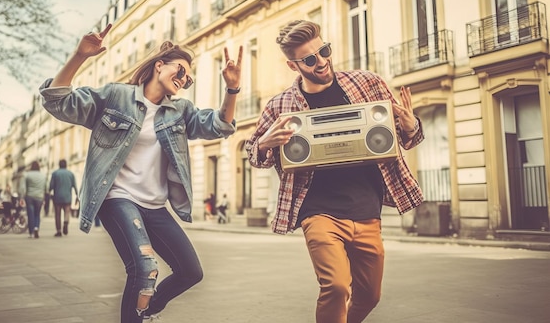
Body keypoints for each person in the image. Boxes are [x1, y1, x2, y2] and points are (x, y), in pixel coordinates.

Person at [38, 23, 242, 322]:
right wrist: (80, 56)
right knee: (145, 268)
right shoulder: (115, 96)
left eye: (188, 78)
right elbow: (59, 101)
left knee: (190, 272)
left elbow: (219, 125)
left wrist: (232, 88)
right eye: (180, 70)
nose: (183, 79)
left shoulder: (180, 111)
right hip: (117, 197)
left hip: (155, 205)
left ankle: (146, 310)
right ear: (159, 65)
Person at [245, 20, 424, 323]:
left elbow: (405, 136)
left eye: (324, 51)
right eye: (310, 59)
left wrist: (410, 124)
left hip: (367, 209)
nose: (323, 61)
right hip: (319, 212)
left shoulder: (367, 83)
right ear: (293, 65)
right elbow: (254, 155)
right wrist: (263, 143)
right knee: (337, 286)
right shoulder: (280, 105)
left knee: (370, 295)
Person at [49, 159, 78, 237]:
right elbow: (75, 186)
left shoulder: (55, 174)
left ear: (59, 165)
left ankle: (58, 231)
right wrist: (77, 195)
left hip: (57, 197)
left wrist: (48, 192)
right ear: (66, 165)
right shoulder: (71, 174)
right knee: (67, 212)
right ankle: (65, 222)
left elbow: (51, 186)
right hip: (67, 197)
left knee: (57, 214)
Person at [22, 161, 47, 239]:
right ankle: (36, 228)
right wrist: (44, 196)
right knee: (37, 214)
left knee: (30, 215)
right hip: (39, 197)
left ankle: (31, 233)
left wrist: (22, 197)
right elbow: (46, 187)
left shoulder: (27, 175)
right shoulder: (43, 176)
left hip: (29, 197)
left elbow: (23, 188)